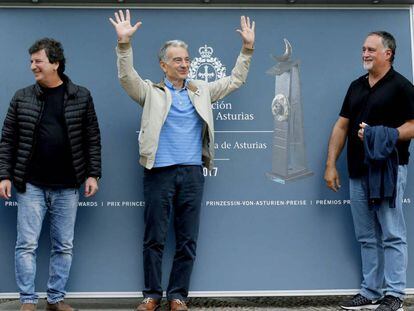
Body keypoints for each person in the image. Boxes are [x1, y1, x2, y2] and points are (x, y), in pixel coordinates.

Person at [109, 9, 254, 311]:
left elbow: (235, 80)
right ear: (163, 64)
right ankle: (151, 295)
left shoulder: (201, 91)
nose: (185, 64)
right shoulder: (151, 92)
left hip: (191, 174)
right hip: (158, 173)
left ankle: (178, 296)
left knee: (187, 240)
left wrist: (247, 49)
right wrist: (124, 45)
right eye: (178, 59)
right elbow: (126, 77)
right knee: (155, 239)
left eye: (187, 59)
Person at [0, 38, 102, 311]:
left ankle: (55, 299)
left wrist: (93, 174)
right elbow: (8, 139)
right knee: (26, 245)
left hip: (68, 186)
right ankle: (28, 301)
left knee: (63, 246)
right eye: (31, 61)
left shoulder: (81, 95)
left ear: (55, 63)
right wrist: (4, 176)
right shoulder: (22, 96)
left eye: (38, 61)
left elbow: (92, 138)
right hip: (30, 185)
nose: (32, 66)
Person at [324, 31, 414, 311]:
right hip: (357, 170)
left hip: (388, 170)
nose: (365, 54)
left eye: (371, 50)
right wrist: (330, 164)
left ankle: (395, 295)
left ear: (387, 54)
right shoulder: (356, 86)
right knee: (366, 235)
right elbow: (342, 126)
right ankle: (371, 290)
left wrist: (382, 134)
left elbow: (413, 125)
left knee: (392, 233)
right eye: (363, 49)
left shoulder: (402, 87)